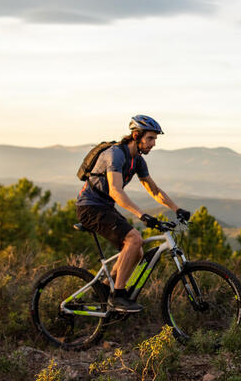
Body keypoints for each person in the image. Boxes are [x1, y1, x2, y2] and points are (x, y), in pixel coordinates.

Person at [76, 115, 190, 312]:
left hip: (105, 208)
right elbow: (115, 191)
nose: (154, 144)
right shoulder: (115, 155)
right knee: (134, 238)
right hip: (90, 207)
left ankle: (105, 289)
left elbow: (153, 190)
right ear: (136, 136)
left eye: (155, 139)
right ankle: (118, 295)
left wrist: (176, 209)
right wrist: (141, 214)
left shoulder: (137, 160)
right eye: (150, 138)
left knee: (136, 250)